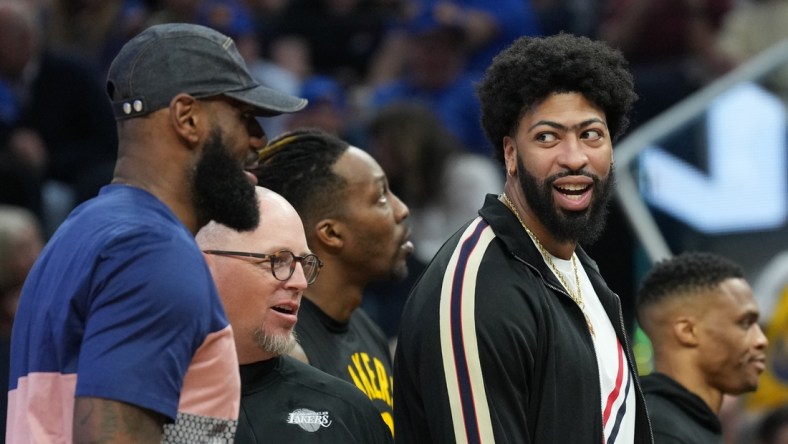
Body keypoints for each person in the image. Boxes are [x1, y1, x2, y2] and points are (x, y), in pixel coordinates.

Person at [6, 22, 306, 442]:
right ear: (187, 118)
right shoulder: (152, 251)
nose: (259, 140)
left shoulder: (78, 232)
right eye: (245, 117)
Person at [393, 33, 653, 442]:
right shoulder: (478, 284)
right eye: (547, 137)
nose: (574, 157)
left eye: (591, 134)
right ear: (510, 153)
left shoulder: (579, 268)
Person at [195, 186, 392, 443]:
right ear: (203, 266)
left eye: (305, 264)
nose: (300, 282)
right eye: (278, 260)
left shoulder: (346, 412)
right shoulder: (146, 399)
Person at [254, 128, 412, 435]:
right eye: (381, 197)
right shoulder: (284, 347)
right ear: (332, 234)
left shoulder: (364, 326)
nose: (401, 210)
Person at [637, 251, 768, 443]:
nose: (761, 340)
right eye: (745, 323)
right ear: (688, 331)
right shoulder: (659, 431)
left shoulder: (687, 424)